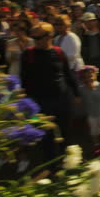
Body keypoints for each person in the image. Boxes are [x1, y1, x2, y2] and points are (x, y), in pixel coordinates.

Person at [20, 22, 80, 161]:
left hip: (62, 100)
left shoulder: (59, 52)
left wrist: (76, 94)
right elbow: (24, 78)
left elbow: (67, 73)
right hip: (40, 102)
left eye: (38, 38)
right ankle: (51, 163)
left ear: (50, 36)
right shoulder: (28, 54)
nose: (35, 41)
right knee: (45, 134)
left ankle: (68, 161)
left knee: (65, 131)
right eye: (33, 38)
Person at [77, 66, 100, 153]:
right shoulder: (81, 88)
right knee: (93, 130)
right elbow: (81, 102)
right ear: (83, 78)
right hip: (91, 114)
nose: (89, 77)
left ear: (95, 75)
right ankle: (96, 144)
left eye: (91, 75)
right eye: (86, 76)